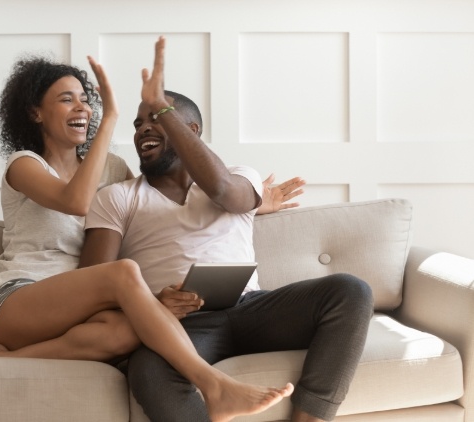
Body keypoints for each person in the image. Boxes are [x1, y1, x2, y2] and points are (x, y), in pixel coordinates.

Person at [0, 48, 295, 422]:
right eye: (66, 99)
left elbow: (152, 205)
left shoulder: (113, 169)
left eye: (86, 101)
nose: (82, 108)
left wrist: (250, 203)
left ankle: (4, 358)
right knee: (122, 272)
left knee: (130, 333)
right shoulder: (24, 164)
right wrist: (111, 120)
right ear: (35, 113)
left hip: (84, 311)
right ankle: (214, 386)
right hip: (20, 299)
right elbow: (75, 200)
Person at [78, 37, 374, 422]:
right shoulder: (117, 197)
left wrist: (161, 107)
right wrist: (152, 302)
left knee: (350, 290)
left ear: (192, 130)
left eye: (156, 118)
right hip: (180, 324)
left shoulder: (237, 176)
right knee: (149, 367)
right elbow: (91, 284)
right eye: (138, 123)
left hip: (253, 308)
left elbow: (224, 193)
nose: (143, 129)